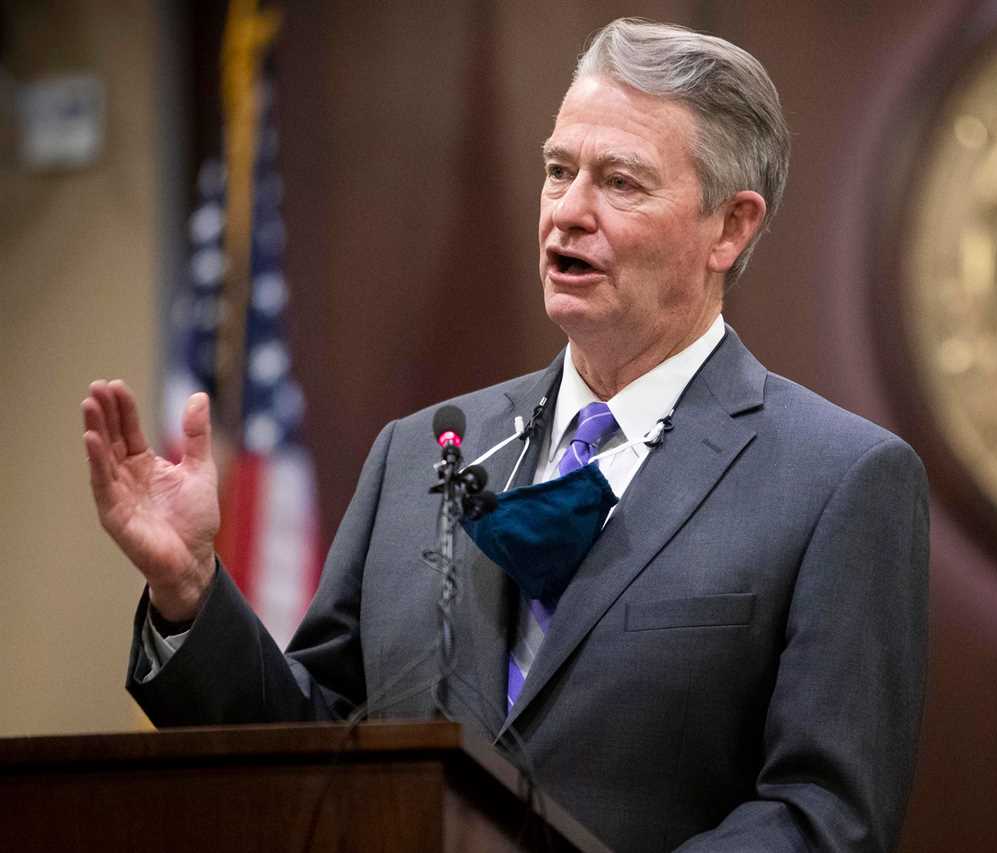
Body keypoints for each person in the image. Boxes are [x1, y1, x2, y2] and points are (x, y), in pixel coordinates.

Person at [82, 18, 928, 853]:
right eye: (558, 171)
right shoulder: (419, 454)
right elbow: (313, 749)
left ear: (730, 227)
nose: (569, 211)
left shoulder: (836, 480)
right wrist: (191, 593)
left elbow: (824, 817)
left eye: (620, 183)